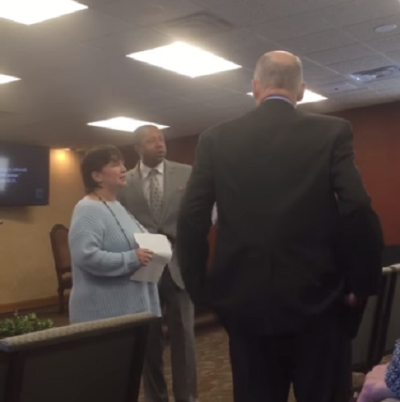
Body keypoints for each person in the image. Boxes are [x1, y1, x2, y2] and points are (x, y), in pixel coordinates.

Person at [176, 51, 383, 402]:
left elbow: (191, 218)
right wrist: (360, 284)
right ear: (301, 90)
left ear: (255, 87)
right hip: (320, 305)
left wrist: (201, 292)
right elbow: (358, 206)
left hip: (245, 307)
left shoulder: (215, 139)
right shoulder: (331, 132)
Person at [118, 126, 198, 402]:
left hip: (179, 267)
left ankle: (187, 397)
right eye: (151, 141)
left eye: (161, 139)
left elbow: (203, 212)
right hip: (144, 269)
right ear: (138, 148)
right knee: (149, 342)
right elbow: (118, 223)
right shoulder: (124, 182)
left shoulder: (186, 173)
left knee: (185, 340)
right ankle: (156, 397)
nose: (159, 144)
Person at [69, 145, 161, 323]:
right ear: (97, 176)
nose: (123, 169)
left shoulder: (116, 205)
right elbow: (85, 256)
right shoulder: (87, 209)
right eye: (115, 164)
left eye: (123, 164)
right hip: (105, 314)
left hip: (136, 308)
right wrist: (132, 259)